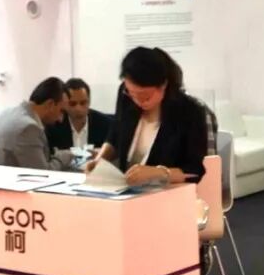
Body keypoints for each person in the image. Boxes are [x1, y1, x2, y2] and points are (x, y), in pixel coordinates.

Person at [86, 47, 207, 187]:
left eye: (145, 96)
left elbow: (195, 171)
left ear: (163, 85)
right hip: (127, 190)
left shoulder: (190, 111)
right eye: (132, 93)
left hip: (167, 192)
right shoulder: (126, 96)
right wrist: (100, 160)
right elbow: (115, 132)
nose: (138, 101)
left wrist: (159, 172)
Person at [0, 77, 74, 170]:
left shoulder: (7, 113)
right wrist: (62, 157)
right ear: (50, 104)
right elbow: (42, 173)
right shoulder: (28, 128)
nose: (61, 119)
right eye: (61, 111)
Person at [46, 78, 112, 152]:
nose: (78, 108)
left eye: (83, 103)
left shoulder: (106, 125)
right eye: (72, 104)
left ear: (89, 102)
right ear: (65, 103)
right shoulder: (53, 126)